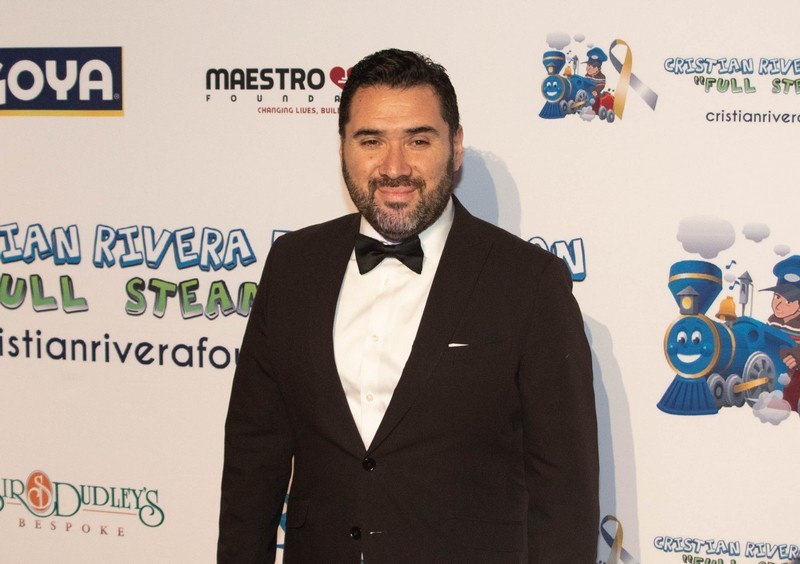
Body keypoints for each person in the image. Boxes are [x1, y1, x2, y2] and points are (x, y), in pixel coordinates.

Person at [218, 48, 599, 563]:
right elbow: (253, 455)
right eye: (371, 140)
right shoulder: (293, 264)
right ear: (343, 148)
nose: (394, 167)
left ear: (455, 147)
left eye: (418, 140)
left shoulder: (529, 283)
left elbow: (565, 488)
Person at [763, 255, 800, 411]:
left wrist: (796, 356)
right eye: (777, 296)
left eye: (788, 301)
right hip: (772, 370)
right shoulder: (771, 322)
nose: (778, 304)